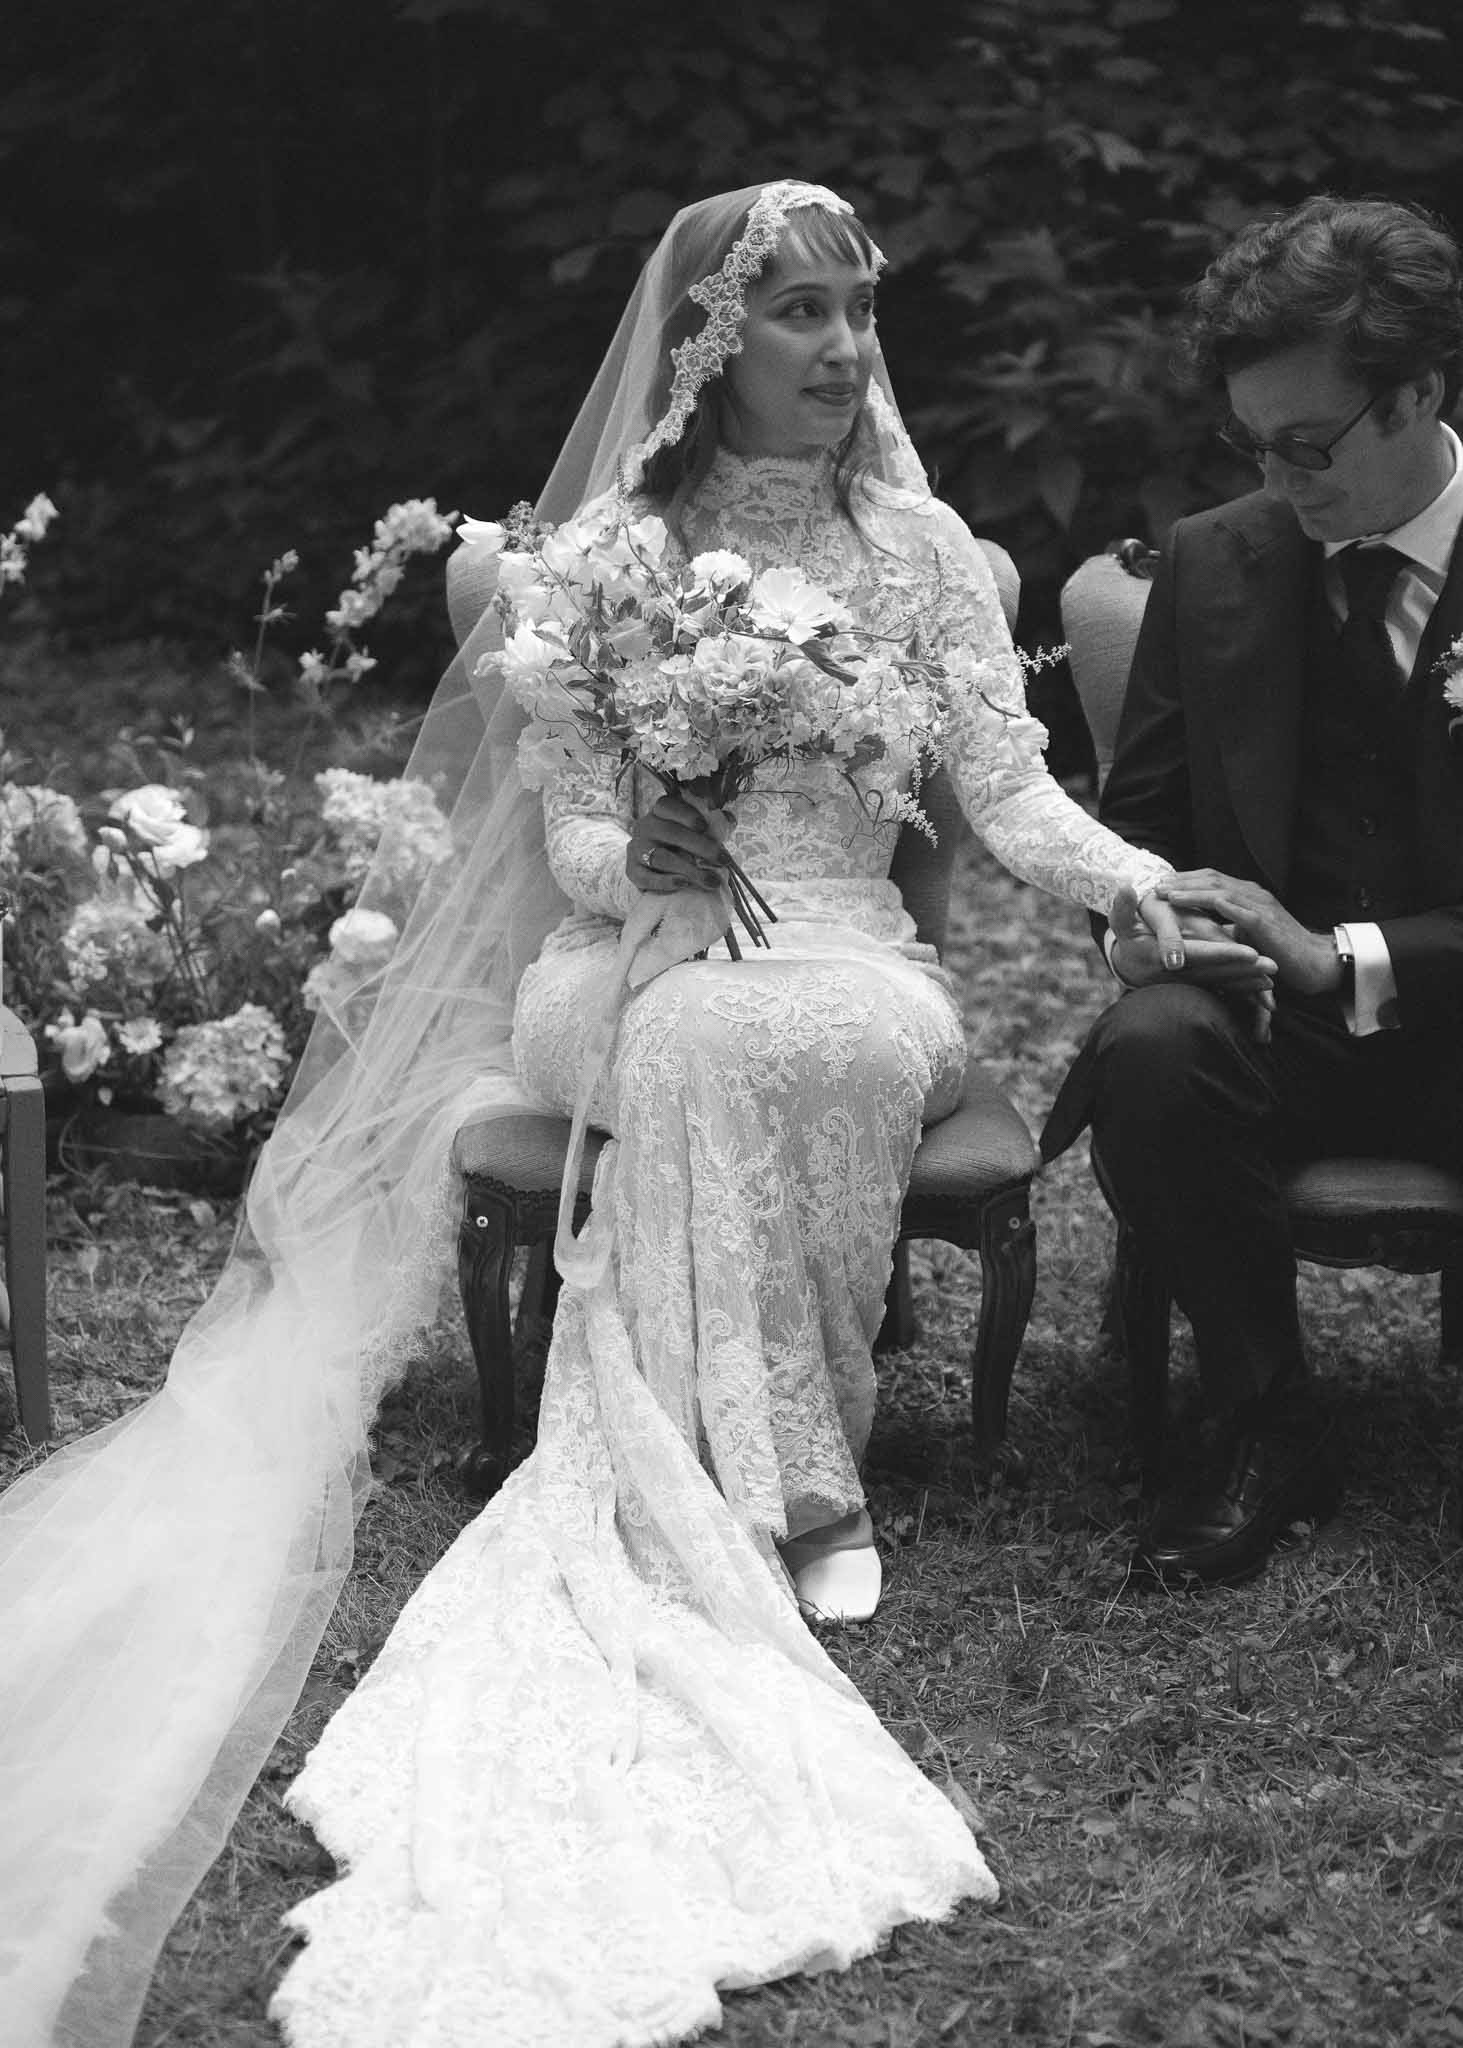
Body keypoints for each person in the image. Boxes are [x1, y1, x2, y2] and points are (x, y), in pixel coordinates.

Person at [0, 180, 1177, 2048]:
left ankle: (733, 1468)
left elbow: (1011, 795)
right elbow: (566, 842)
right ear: (712, 343)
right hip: (627, 958)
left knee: (805, 1038)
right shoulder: (607, 563)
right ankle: (788, 1486)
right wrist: (658, 850)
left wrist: (1137, 887)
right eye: (798, 314)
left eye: (858, 314)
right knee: (699, 1035)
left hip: (856, 950)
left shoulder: (934, 555)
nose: (843, 351)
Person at [1043, 194, 1463, 1591]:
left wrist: (1337, 951)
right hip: (1266, 1039)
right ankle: (1263, 1429)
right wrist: (1149, 921)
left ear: (1421, 391)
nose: (1282, 480)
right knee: (1149, 1051)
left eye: (1311, 445)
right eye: (1254, 445)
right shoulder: (1219, 559)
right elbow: (1144, 831)